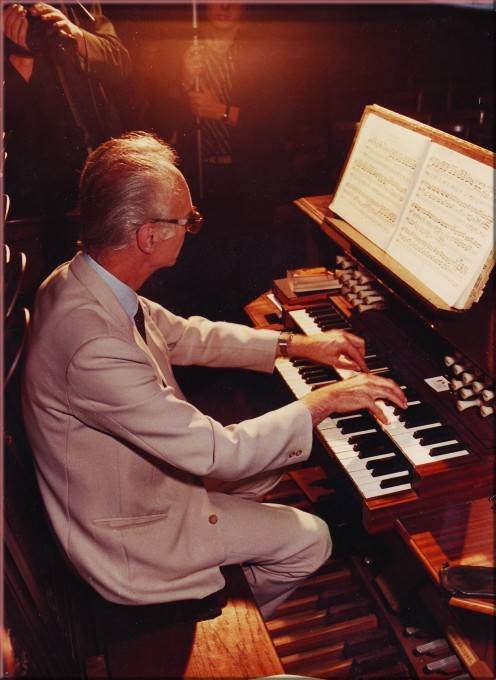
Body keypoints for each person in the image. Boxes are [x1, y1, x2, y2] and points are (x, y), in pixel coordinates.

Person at [22, 131, 408, 620]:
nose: (192, 227)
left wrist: (298, 344)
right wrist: (325, 401)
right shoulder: (93, 344)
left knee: (271, 466)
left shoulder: (79, 277)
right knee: (312, 539)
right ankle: (230, 610)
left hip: (128, 488)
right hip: (129, 543)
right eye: (188, 220)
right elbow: (217, 453)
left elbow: (184, 335)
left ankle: (239, 564)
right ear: (149, 236)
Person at [152, 3, 291, 321]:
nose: (225, 5)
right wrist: (185, 82)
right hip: (200, 182)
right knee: (202, 282)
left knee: (250, 284)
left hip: (250, 183)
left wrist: (225, 112)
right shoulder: (186, 51)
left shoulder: (266, 49)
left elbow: (283, 121)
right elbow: (159, 122)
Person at [3, 2, 130, 267]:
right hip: (41, 192)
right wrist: (21, 60)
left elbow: (120, 63)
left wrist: (76, 34)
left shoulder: (77, 6)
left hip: (102, 168)